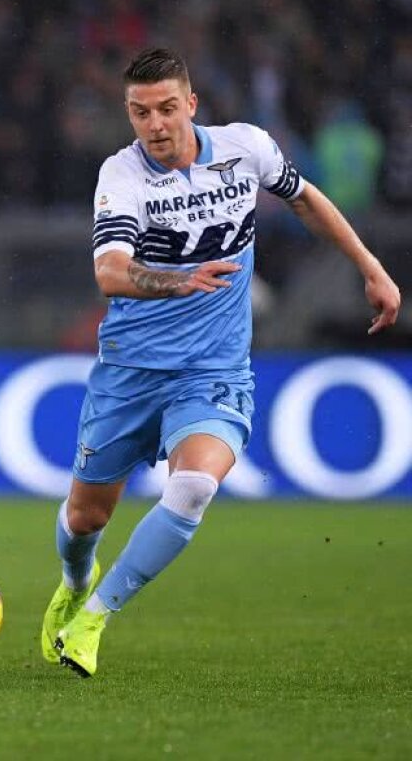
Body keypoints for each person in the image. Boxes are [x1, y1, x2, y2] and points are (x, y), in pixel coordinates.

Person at [41, 48, 402, 678]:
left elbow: (304, 198)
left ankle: (95, 615)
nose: (154, 124)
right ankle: (75, 583)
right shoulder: (121, 175)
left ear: (192, 105)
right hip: (131, 371)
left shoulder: (246, 148)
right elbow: (109, 271)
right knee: (83, 518)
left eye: (166, 108)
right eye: (139, 112)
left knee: (195, 486)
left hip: (215, 370)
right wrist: (180, 281)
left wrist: (370, 268)